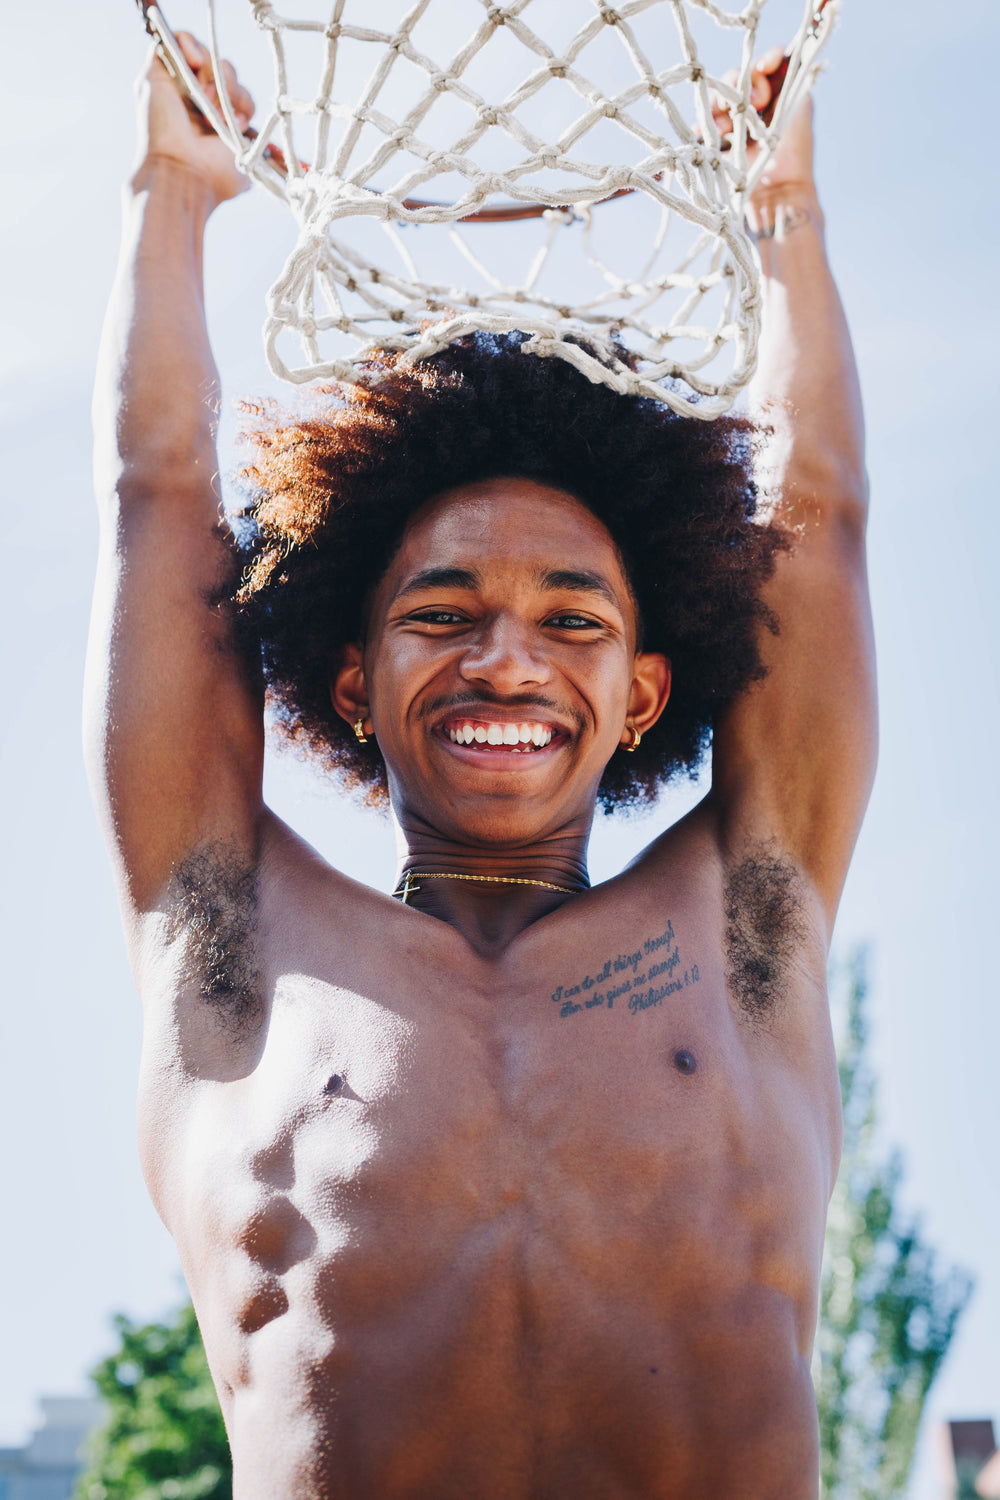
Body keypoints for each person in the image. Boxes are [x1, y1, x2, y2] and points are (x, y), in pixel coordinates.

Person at [87, 27, 874, 1500]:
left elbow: (815, 520)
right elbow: (160, 497)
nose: (506, 659)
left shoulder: (748, 929)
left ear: (644, 692)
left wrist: (784, 212)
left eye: (569, 620)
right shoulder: (231, 944)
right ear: (348, 678)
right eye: (441, 615)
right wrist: (173, 195)